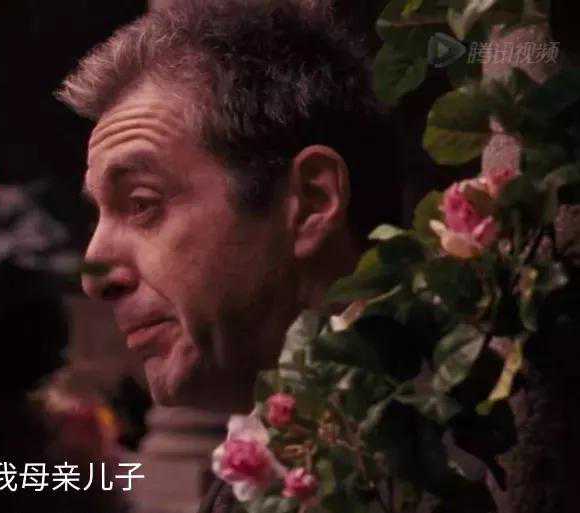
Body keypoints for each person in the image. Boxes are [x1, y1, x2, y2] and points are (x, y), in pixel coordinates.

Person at [56, 1, 400, 509]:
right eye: (100, 215)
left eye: (142, 204)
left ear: (311, 202)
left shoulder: (457, 453)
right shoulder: (272, 466)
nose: (95, 275)